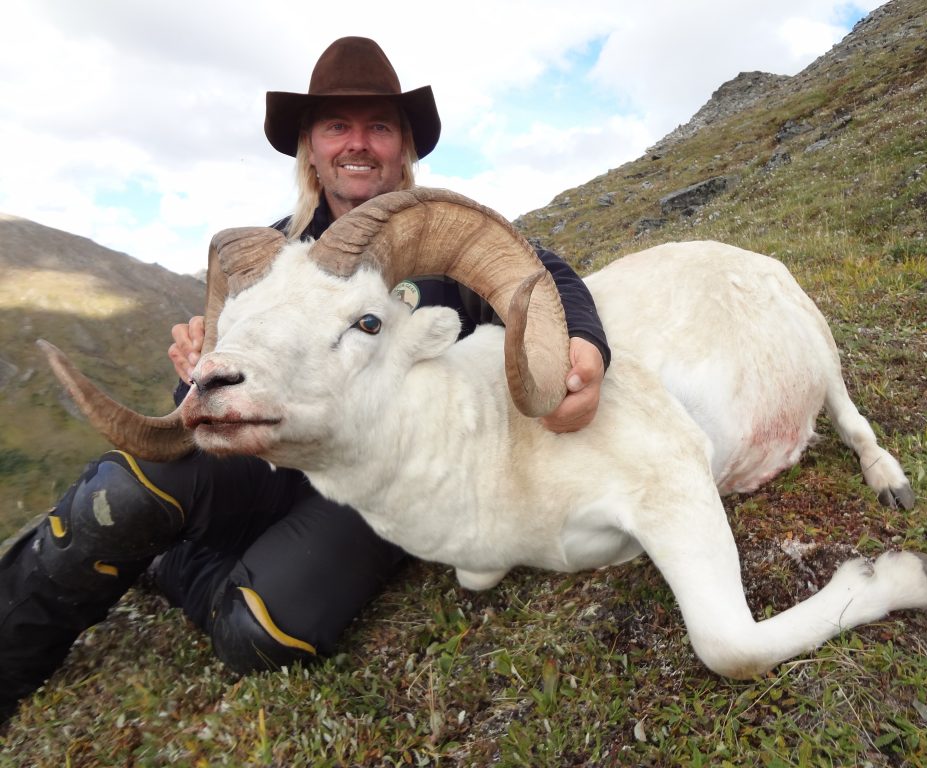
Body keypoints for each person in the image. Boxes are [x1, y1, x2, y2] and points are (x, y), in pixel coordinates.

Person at [0, 36, 610, 725]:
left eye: (379, 125)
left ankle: (172, 567)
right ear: (311, 148)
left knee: (264, 633)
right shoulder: (264, 256)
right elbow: (222, 378)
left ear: (402, 146)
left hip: (373, 485)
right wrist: (192, 380)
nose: (359, 143)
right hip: (266, 458)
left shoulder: (437, 241)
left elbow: (539, 272)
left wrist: (583, 342)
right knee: (116, 498)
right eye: (336, 126)